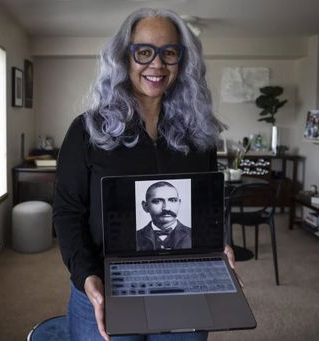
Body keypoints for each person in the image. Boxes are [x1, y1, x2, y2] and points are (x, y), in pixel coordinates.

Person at [53, 7, 239, 341]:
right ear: (124, 58)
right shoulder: (86, 131)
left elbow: (205, 206)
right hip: (106, 287)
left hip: (182, 286)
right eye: (143, 52)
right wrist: (85, 275)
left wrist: (218, 243)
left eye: (169, 52)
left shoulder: (200, 135)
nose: (157, 64)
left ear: (182, 62)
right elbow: (68, 212)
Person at [137, 181, 191, 251]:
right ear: (145, 206)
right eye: (157, 201)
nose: (166, 208)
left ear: (179, 203)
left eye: (173, 200)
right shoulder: (135, 237)